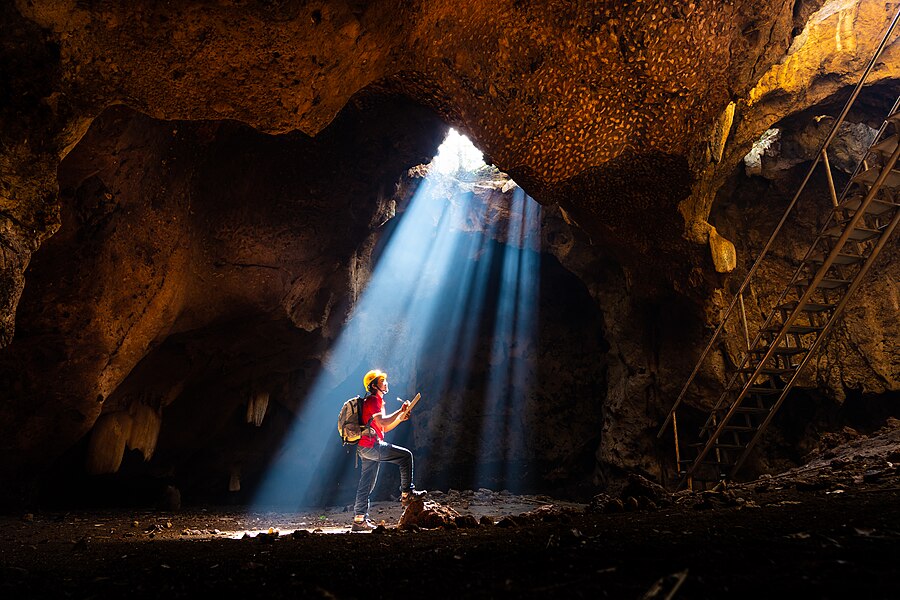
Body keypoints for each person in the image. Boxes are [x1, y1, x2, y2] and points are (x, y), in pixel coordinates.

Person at [352, 369, 425, 531]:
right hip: (372, 446)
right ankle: (407, 493)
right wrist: (400, 411)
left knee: (366, 484)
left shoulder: (372, 402)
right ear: (373, 386)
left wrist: (400, 417)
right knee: (405, 456)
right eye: (382, 381)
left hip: (364, 447)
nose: (385, 383)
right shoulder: (373, 401)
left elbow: (385, 427)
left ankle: (358, 521)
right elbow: (383, 422)